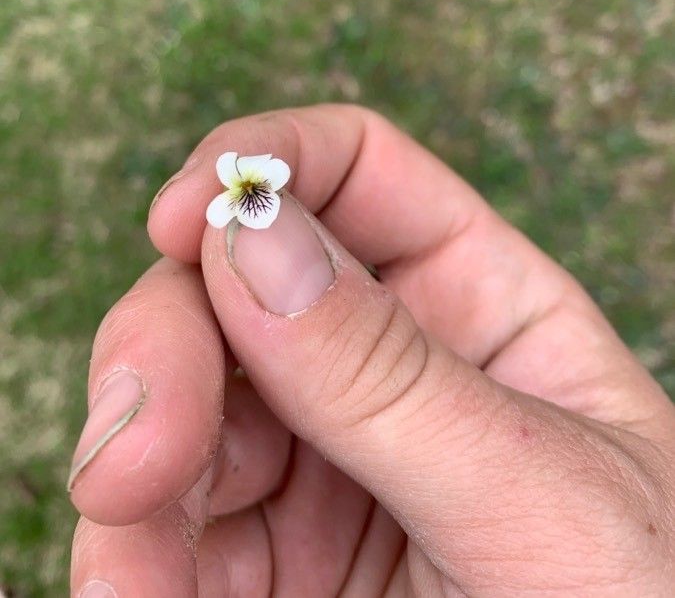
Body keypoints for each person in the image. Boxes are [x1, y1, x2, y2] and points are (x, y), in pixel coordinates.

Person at [68, 105, 675, 596]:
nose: (255, 198)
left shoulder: (250, 195)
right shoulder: (249, 196)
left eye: (255, 189)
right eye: (249, 190)